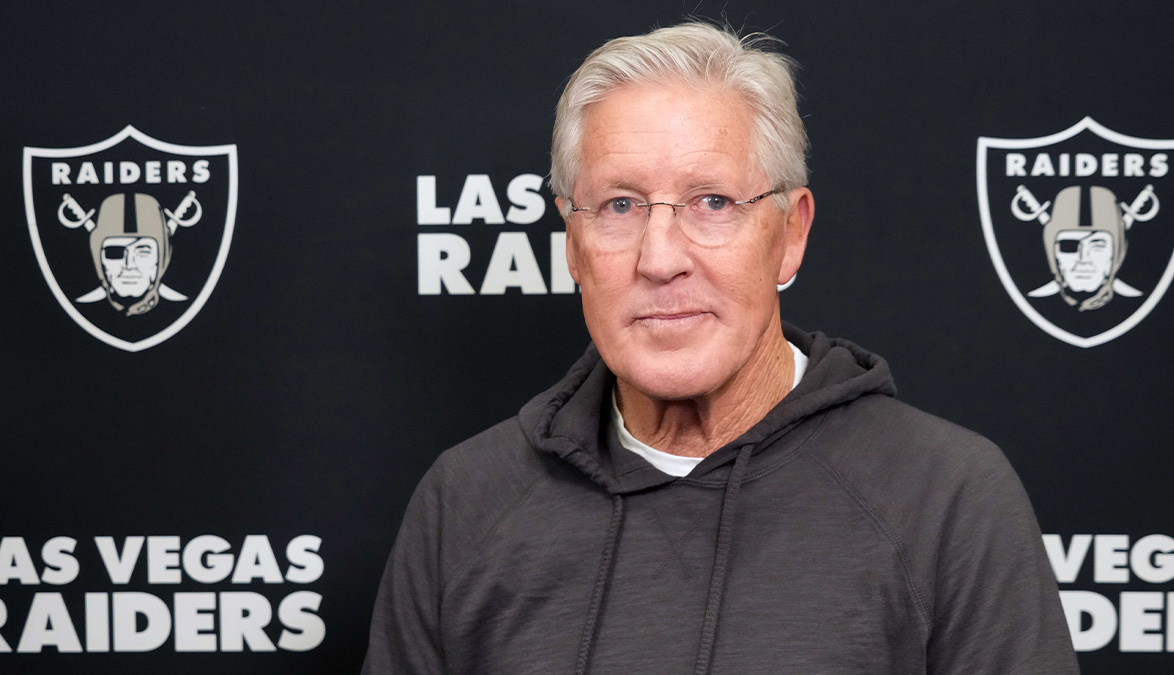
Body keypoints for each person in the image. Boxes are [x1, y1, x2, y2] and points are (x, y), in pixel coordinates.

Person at [364, 21, 1079, 674]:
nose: (661, 256)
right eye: (620, 205)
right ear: (573, 245)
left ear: (790, 233)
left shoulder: (947, 499)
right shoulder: (464, 504)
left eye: (712, 202)